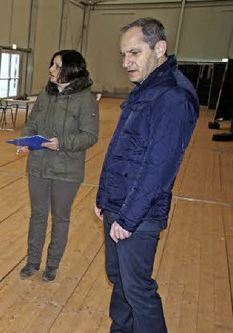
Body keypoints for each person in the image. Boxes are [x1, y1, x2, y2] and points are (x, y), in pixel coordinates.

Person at [95, 18, 198, 332]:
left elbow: (159, 167)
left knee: (138, 289)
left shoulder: (174, 97)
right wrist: (103, 196)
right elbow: (120, 148)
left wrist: (128, 218)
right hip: (118, 204)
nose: (127, 63)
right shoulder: (146, 88)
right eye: (123, 55)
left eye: (135, 53)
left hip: (137, 213)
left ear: (159, 48)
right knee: (119, 279)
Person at [17, 50, 99, 282]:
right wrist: (25, 141)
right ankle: (33, 261)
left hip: (67, 170)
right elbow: (32, 122)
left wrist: (61, 143)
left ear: (70, 70)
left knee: (60, 218)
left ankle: (52, 265)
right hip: (39, 166)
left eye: (56, 66)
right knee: (38, 215)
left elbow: (90, 136)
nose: (51, 70)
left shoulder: (86, 100)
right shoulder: (46, 94)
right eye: (52, 64)